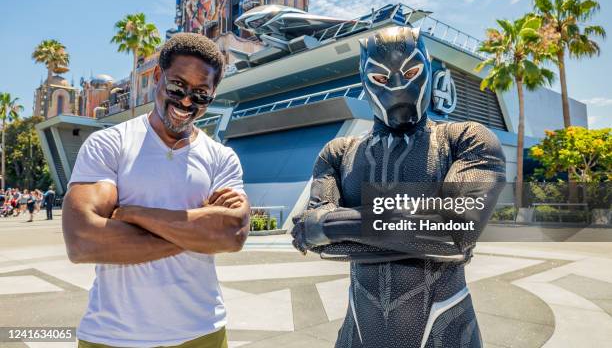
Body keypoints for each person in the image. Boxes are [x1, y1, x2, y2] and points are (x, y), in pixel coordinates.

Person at [291, 26, 506, 348]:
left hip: (446, 330)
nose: (398, 86)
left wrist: (332, 226)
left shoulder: (467, 139)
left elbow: (454, 232)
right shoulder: (338, 152)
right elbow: (308, 238)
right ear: (364, 79)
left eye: (411, 71)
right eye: (380, 78)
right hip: (358, 332)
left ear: (428, 70)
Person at [62, 33, 250, 348]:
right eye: (177, 86)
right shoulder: (110, 144)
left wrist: (133, 214)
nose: (187, 102)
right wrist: (198, 232)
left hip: (202, 332)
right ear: (157, 77)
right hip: (112, 335)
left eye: (201, 94)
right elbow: (82, 242)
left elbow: (232, 236)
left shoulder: (222, 157)